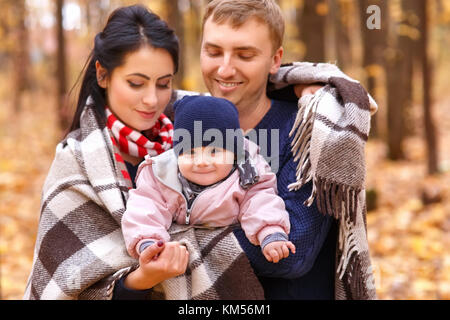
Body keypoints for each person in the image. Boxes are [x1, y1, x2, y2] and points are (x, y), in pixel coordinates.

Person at [121, 95, 296, 265]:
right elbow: (146, 207)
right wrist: (148, 241)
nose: (202, 162)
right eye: (190, 153)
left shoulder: (248, 175)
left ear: (234, 152)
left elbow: (260, 202)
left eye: (214, 152)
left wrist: (270, 233)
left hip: (224, 256)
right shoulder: (161, 175)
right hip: (177, 253)